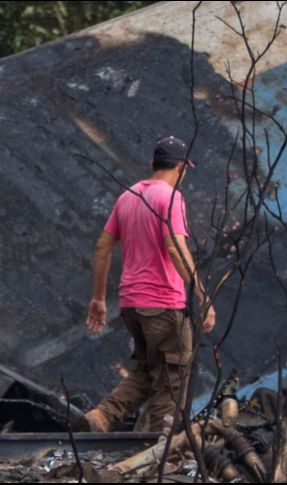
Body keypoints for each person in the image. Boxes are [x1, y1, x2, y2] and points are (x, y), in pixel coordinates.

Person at [81, 136, 216, 433]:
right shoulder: (170, 198)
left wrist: (98, 299)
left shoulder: (128, 196)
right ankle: (163, 446)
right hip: (163, 303)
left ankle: (102, 416)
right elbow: (175, 248)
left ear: (153, 163)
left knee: (148, 369)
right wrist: (202, 295)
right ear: (180, 167)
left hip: (131, 304)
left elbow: (103, 247)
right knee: (173, 376)